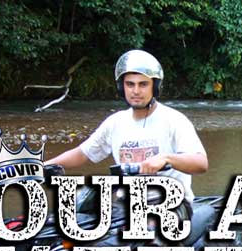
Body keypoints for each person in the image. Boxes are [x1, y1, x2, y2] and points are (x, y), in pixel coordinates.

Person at [44, 49, 208, 199]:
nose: (136, 91)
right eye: (130, 84)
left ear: (155, 87)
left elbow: (201, 163)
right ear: (122, 87)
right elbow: (82, 154)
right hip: (127, 206)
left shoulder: (174, 120)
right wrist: (40, 166)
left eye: (143, 84)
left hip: (171, 204)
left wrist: (166, 159)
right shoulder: (115, 123)